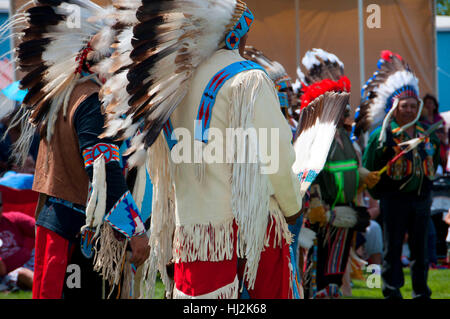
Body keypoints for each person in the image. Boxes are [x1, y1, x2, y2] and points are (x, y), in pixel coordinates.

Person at [100, 0, 303, 299]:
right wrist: (292, 206)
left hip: (196, 230)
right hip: (256, 223)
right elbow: (277, 155)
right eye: (246, 34)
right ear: (234, 36)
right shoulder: (249, 78)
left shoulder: (171, 86)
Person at [7, 1, 150, 299]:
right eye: (111, 52)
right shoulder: (90, 102)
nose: (115, 60)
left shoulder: (58, 96)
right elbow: (103, 172)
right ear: (91, 54)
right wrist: (135, 231)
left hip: (54, 226)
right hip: (78, 236)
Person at [294, 48, 377, 299]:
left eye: (346, 105)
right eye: (340, 105)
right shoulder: (315, 135)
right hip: (322, 213)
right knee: (318, 267)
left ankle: (331, 292)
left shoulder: (343, 134)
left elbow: (349, 163)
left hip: (344, 211)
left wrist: (362, 175)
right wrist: (316, 201)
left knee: (335, 269)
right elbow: (308, 171)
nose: (346, 110)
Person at [359, 50, 440, 299]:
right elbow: (369, 164)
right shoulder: (382, 136)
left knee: (420, 249)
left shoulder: (428, 133)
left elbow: (436, 158)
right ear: (395, 108)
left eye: (413, 106)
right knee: (392, 247)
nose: (409, 109)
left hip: (421, 199)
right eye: (405, 106)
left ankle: (420, 291)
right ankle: (391, 290)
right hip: (395, 200)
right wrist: (378, 191)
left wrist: (426, 185)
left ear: (418, 108)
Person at [0, 191, 35, 292]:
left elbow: (41, 231)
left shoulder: (13, 218)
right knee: (24, 273)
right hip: (8, 273)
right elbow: (2, 270)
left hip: (29, 260)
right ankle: (50, 292)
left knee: (48, 250)